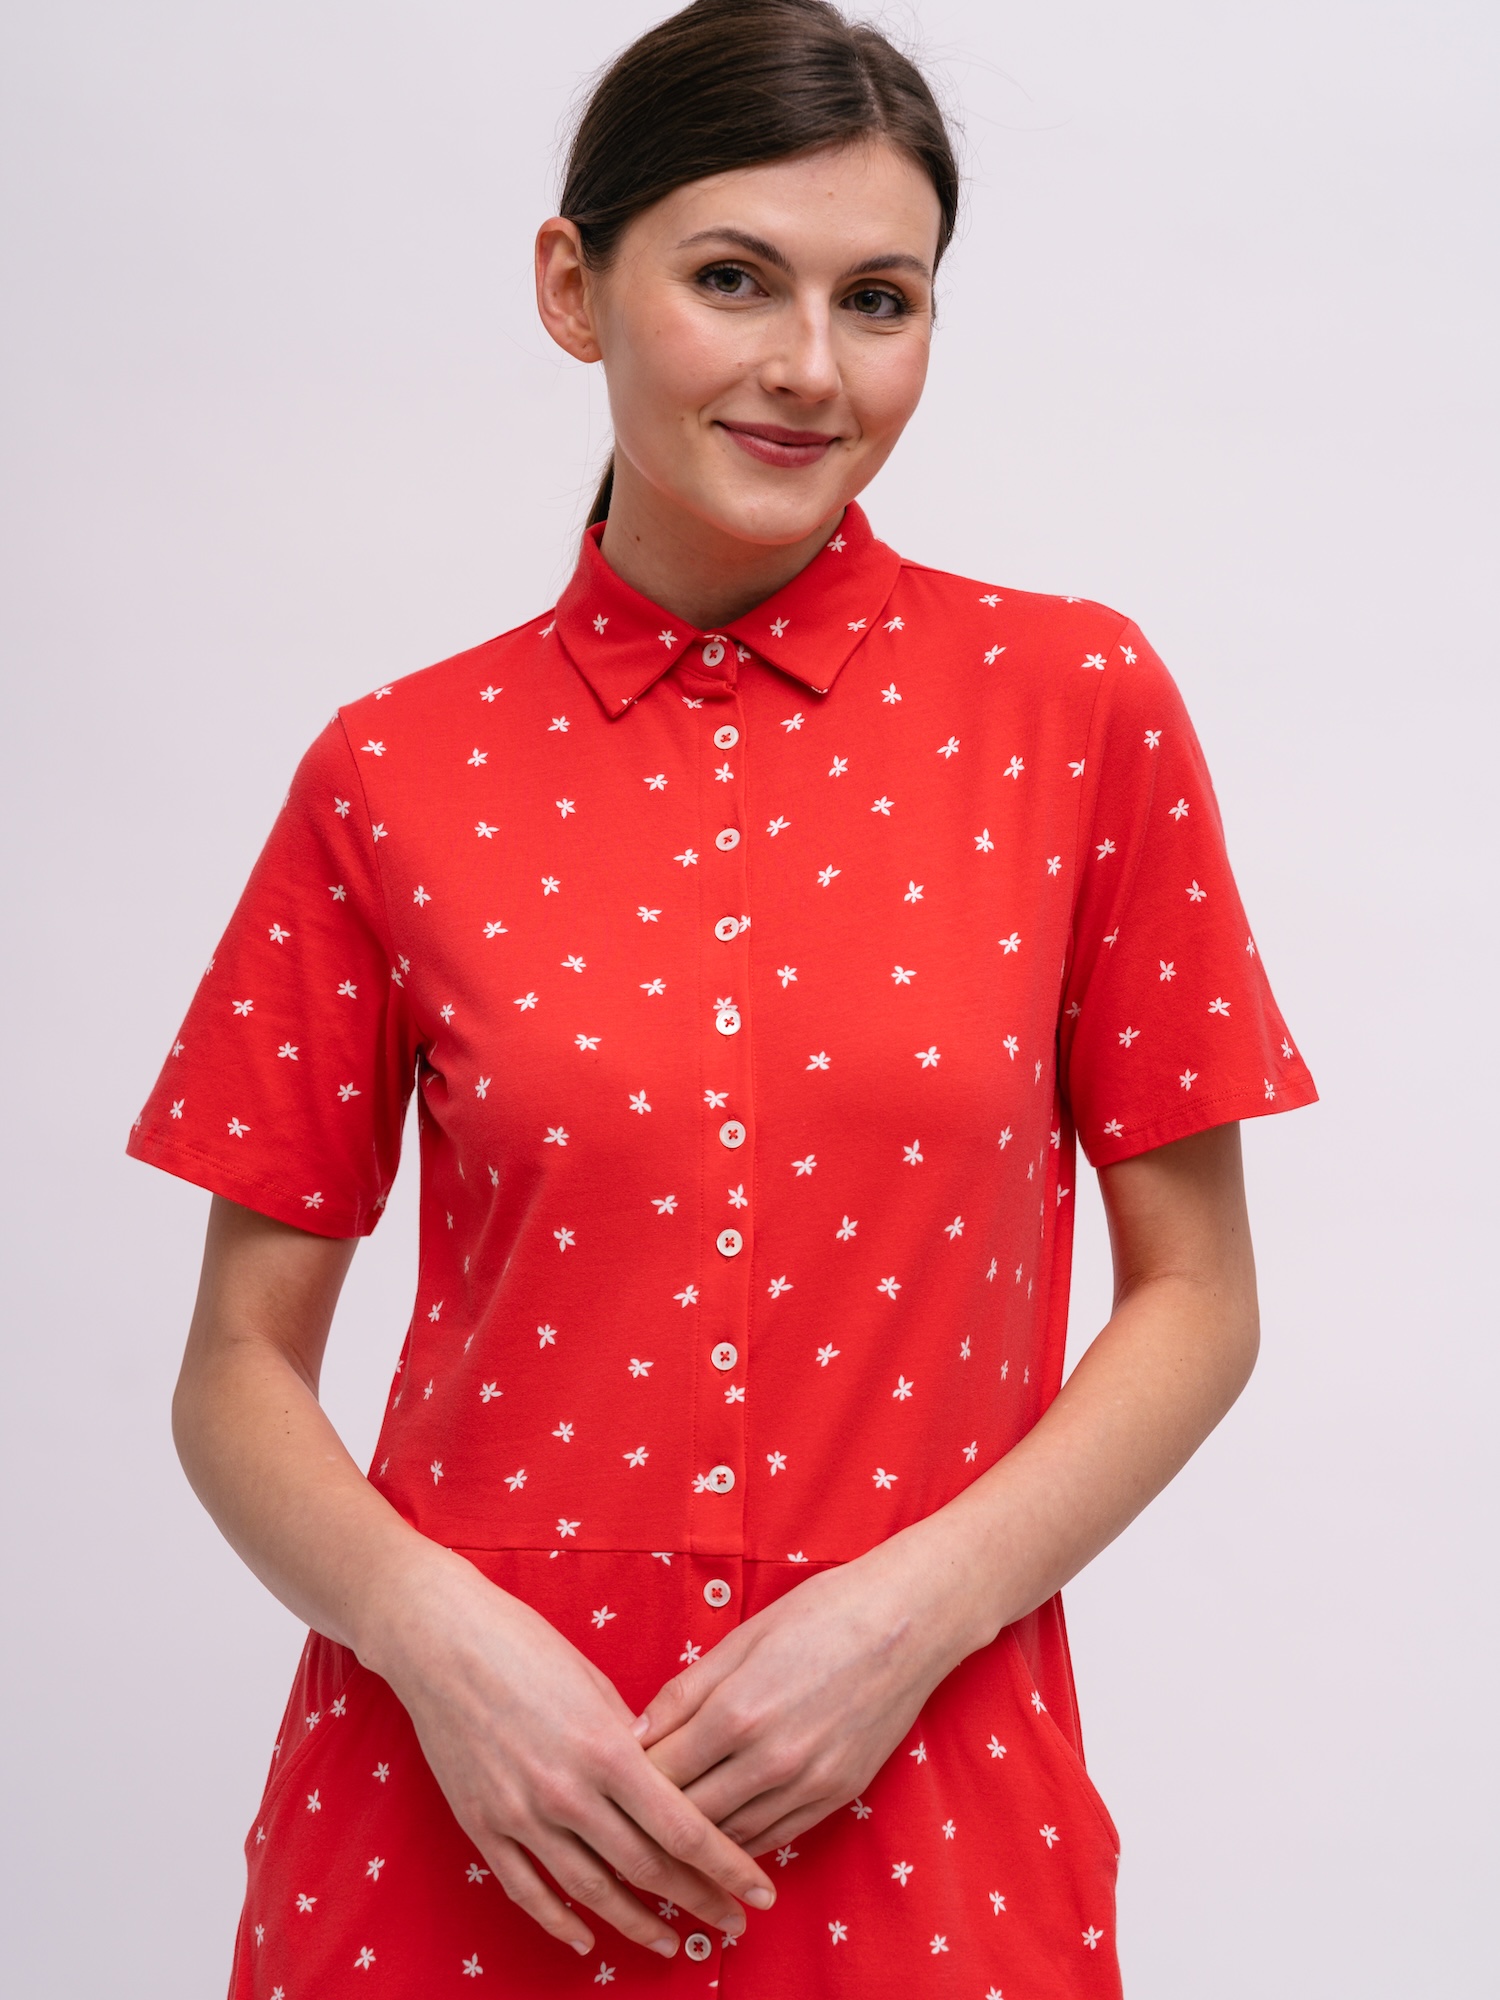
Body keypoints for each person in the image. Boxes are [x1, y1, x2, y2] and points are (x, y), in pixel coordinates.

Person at [127, 1, 1317, 1991]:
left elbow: (1199, 1294)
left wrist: (909, 1616)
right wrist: (434, 1639)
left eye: (880, 300)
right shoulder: (391, 771)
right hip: (467, 1803)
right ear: (572, 287)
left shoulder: (1076, 711)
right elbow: (235, 1367)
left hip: (921, 1799)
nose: (808, 366)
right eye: (735, 278)